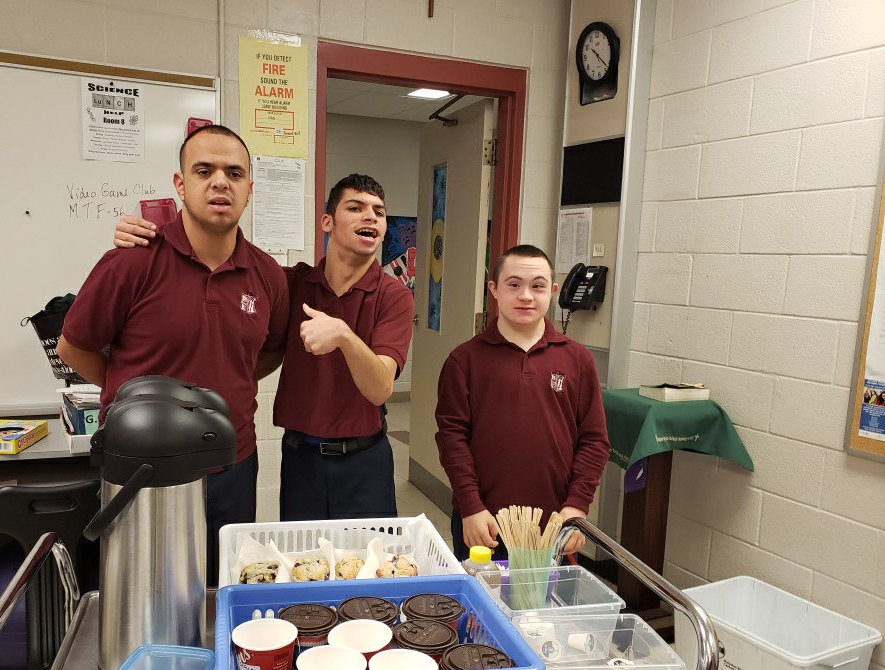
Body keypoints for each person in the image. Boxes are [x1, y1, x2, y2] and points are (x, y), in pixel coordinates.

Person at [57, 125, 289, 585]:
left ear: (249, 190)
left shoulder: (268, 276)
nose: (219, 182)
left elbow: (268, 352)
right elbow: (73, 347)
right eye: (204, 171)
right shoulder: (131, 262)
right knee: (147, 600)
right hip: (145, 469)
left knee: (223, 589)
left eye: (234, 173)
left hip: (233, 463)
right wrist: (139, 399)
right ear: (180, 185)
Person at [111, 174, 414, 522]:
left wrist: (344, 336)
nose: (370, 217)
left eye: (379, 211)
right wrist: (151, 241)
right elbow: (217, 266)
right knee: (304, 567)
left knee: (369, 570)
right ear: (327, 222)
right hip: (302, 460)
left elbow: (380, 389)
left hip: (365, 461)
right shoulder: (290, 283)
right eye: (356, 208)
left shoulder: (394, 297)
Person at [434, 244, 610, 562]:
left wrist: (577, 505)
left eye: (537, 286)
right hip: (483, 522)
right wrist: (471, 504)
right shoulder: (464, 360)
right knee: (483, 609)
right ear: (494, 290)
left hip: (554, 524)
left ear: (553, 291)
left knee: (545, 609)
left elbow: (594, 441)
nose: (526, 296)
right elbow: (452, 439)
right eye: (514, 285)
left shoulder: (578, 359)